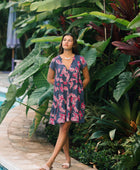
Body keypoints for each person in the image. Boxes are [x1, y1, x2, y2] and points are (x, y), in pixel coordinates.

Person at [40, 33, 90, 170]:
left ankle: (50, 162)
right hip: (61, 98)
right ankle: (68, 159)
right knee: (63, 128)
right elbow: (50, 78)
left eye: (69, 40)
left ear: (73, 43)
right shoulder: (55, 61)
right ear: (61, 43)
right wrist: (60, 88)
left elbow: (86, 78)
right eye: (64, 40)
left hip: (74, 98)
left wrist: (78, 89)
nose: (66, 42)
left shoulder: (80, 60)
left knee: (65, 127)